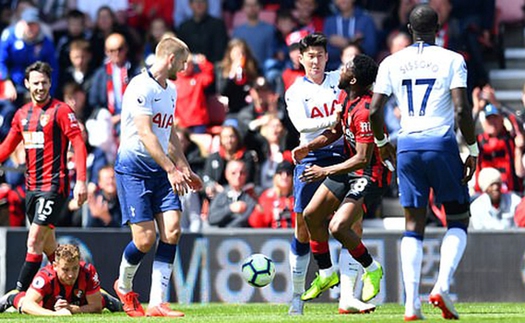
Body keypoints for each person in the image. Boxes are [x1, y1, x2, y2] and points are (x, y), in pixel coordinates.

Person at [369, 4, 478, 321]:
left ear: (409, 27)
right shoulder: (452, 59)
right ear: (438, 26)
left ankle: (410, 304)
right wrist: (470, 147)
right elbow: (461, 110)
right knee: (457, 218)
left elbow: (376, 111)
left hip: (406, 145)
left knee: (413, 225)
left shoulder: (391, 61)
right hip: (440, 143)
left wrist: (381, 144)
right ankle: (442, 286)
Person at [112, 36, 203, 318]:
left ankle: (157, 302)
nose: (186, 67)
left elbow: (167, 131)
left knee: (173, 229)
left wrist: (184, 166)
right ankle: (124, 285)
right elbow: (146, 133)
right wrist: (171, 169)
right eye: (184, 62)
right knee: (144, 240)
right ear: (171, 59)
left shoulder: (170, 90)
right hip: (134, 169)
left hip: (162, 171)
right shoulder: (140, 86)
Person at [293, 53, 388, 314]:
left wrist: (324, 171)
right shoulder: (345, 96)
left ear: (354, 78)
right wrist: (308, 146)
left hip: (369, 174)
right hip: (349, 166)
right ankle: (326, 272)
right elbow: (336, 131)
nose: (341, 69)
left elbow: (362, 159)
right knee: (312, 215)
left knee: (338, 226)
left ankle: (372, 267)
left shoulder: (366, 111)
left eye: (346, 67)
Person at [0, 61, 88, 292]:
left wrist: (81, 181)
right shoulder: (21, 115)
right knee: (52, 251)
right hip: (32, 188)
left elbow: (78, 144)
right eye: (36, 83)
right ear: (27, 84)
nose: (40, 87)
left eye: (45, 82)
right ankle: (83, 289)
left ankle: (18, 295)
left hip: (54, 185)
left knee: (34, 240)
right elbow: (7, 147)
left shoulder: (61, 111)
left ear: (51, 83)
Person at [284, 32, 346, 315]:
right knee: (302, 226)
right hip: (309, 157)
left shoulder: (339, 81)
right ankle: (297, 294)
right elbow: (302, 125)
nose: (316, 61)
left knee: (349, 224)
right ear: (301, 59)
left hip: (342, 156)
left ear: (327, 57)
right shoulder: (296, 90)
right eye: (310, 56)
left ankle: (347, 297)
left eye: (320, 56)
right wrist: (334, 118)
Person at [0, 244, 122, 315]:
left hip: (77, 301)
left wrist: (71, 309)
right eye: (65, 269)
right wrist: (54, 315)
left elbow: (95, 307)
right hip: (47, 305)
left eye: (75, 268)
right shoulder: (45, 276)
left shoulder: (87, 271)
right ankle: (11, 298)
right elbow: (28, 304)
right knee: (22, 302)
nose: (71, 274)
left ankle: (107, 297)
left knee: (105, 302)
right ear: (55, 266)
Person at [207, 159, 257, 228]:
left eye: (242, 173)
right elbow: (212, 218)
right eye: (233, 173)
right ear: (227, 174)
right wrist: (230, 209)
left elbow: (246, 218)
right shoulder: (221, 195)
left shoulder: (251, 195)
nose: (238, 176)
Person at [248, 160, 295, 228]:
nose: (284, 176)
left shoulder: (297, 197)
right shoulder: (268, 196)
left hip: (292, 235)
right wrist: (260, 212)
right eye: (280, 173)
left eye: (288, 173)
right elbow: (255, 224)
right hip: (271, 235)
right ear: (275, 177)